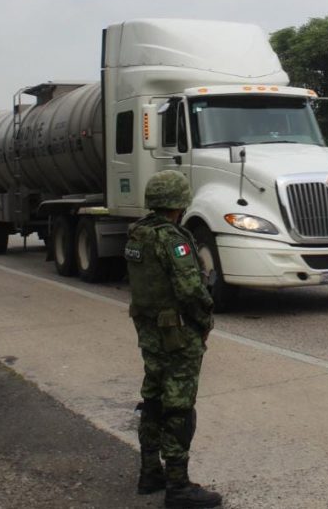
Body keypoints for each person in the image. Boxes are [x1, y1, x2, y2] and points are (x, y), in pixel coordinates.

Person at [124, 170, 221, 508]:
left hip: (149, 331)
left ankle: (150, 472)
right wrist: (206, 318)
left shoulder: (137, 234)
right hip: (177, 334)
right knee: (179, 406)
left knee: (152, 398)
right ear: (179, 203)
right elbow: (190, 289)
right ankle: (178, 486)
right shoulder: (172, 240)